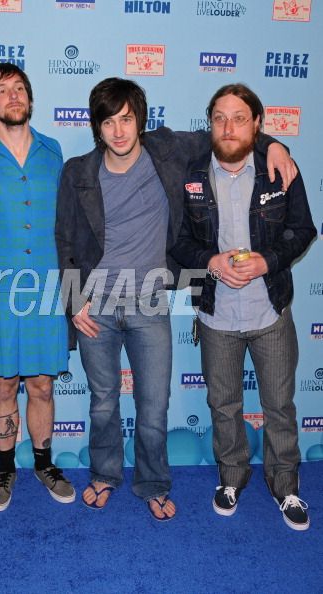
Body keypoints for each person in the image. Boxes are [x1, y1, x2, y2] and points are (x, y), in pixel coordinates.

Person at [55, 77, 295, 521]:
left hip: (150, 302)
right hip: (97, 306)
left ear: (141, 120)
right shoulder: (78, 172)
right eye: (108, 122)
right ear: (97, 127)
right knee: (103, 401)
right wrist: (74, 301)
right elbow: (65, 238)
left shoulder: (167, 151)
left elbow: (228, 134)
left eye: (126, 119)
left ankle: (153, 483)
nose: (119, 131)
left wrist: (274, 144)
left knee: (153, 405)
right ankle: (104, 474)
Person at [171, 83, 315, 530]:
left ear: (257, 124)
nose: (228, 127)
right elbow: (178, 241)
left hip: (270, 311)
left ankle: (285, 485)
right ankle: (231, 477)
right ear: (209, 124)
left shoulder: (279, 170)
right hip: (216, 314)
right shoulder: (191, 173)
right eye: (219, 118)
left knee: (279, 406)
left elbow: (303, 230)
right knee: (223, 404)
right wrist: (210, 261)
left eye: (239, 118)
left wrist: (267, 261)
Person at [0, 63, 74, 511]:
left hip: (46, 285)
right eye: (2, 91)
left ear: (30, 98)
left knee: (42, 384)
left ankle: (44, 464)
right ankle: (5, 468)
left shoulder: (54, 152)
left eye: (19, 88)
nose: (13, 96)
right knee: (5, 385)